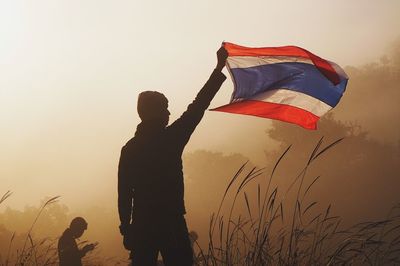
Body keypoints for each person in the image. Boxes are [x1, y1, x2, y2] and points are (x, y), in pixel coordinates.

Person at [118, 45, 228, 266]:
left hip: (141, 225)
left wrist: (127, 228)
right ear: (156, 113)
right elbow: (198, 105)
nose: (169, 113)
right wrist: (218, 68)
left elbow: (124, 194)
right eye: (165, 108)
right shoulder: (171, 139)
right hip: (171, 222)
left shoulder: (130, 148)